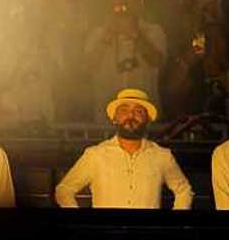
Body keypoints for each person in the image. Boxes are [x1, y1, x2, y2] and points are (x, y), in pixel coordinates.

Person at [55, 88, 192, 209]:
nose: (131, 116)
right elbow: (64, 190)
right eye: (124, 110)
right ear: (114, 118)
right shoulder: (95, 154)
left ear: (147, 119)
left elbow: (184, 191)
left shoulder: (162, 156)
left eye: (138, 111)